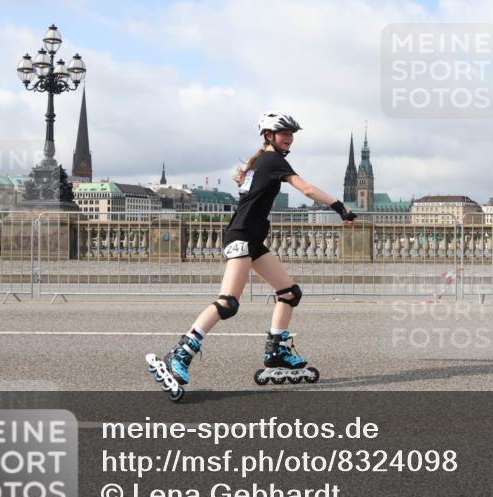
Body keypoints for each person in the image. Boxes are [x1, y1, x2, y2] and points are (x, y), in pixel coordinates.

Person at [146, 113, 357, 399]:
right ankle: (181, 353)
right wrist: (339, 207)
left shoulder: (263, 161)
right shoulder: (272, 161)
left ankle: (277, 352)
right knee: (228, 303)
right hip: (242, 235)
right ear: (268, 135)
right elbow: (306, 189)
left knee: (290, 293)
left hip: (253, 239)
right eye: (284, 133)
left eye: (291, 134)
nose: (289, 138)